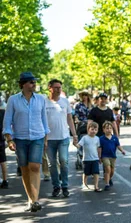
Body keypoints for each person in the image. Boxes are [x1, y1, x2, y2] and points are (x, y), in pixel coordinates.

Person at [2, 72, 50, 212]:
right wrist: (9, 139)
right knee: (25, 169)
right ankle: (31, 199)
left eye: (34, 82)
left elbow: (44, 119)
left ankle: (35, 200)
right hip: (20, 138)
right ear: (23, 84)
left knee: (34, 166)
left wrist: (46, 138)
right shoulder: (13, 100)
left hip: (38, 137)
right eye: (31, 82)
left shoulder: (41, 99)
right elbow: (7, 121)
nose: (34, 84)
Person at [45, 79, 78, 198]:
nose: (59, 90)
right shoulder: (44, 102)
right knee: (51, 164)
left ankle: (65, 186)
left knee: (63, 161)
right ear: (50, 88)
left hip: (63, 137)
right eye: (56, 87)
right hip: (49, 139)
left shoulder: (65, 102)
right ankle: (56, 186)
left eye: (60, 87)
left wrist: (74, 135)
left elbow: (70, 119)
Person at [99, 121, 125, 191]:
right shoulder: (101, 139)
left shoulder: (114, 138)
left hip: (113, 156)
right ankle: (107, 184)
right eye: (107, 128)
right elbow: (100, 148)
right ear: (103, 130)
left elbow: (118, 145)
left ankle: (109, 178)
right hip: (105, 156)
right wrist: (99, 157)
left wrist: (122, 150)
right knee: (108, 169)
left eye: (110, 128)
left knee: (112, 171)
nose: (109, 130)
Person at [78, 121, 102, 192]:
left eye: (95, 130)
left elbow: (98, 148)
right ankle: (84, 183)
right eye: (92, 129)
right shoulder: (84, 138)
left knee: (96, 172)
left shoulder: (97, 138)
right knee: (86, 173)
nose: (93, 131)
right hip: (87, 159)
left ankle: (96, 186)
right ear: (88, 129)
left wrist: (99, 157)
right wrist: (75, 144)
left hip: (95, 159)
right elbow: (79, 145)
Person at [0, 104, 8, 188]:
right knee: (3, 161)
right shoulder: (3, 113)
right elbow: (6, 126)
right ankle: (5, 180)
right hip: (1, 139)